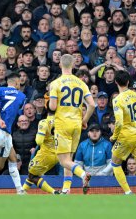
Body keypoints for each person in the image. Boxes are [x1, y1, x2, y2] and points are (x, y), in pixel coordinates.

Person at [49, 54, 95, 194]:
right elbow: (92, 105)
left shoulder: (56, 83)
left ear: (60, 65)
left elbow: (52, 107)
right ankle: (66, 189)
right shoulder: (81, 83)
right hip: (76, 124)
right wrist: (84, 120)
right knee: (69, 159)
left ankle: (82, 175)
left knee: (63, 161)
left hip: (62, 123)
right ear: (74, 65)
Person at [22, 114, 61, 195]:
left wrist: (38, 133)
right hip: (57, 154)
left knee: (32, 174)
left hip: (45, 154)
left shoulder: (44, 122)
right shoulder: (61, 121)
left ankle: (54, 192)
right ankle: (22, 191)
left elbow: (39, 141)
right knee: (33, 174)